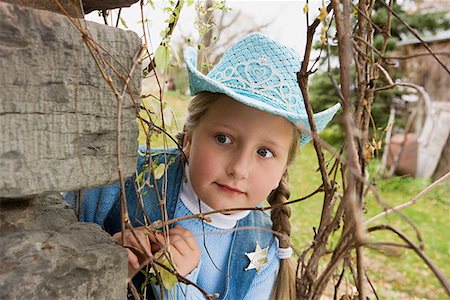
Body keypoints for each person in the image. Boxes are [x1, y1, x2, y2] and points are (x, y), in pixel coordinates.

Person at [65, 32, 340, 300]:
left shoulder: (263, 250)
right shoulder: (124, 179)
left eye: (264, 152)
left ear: (284, 167)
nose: (239, 169)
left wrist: (179, 286)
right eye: (223, 138)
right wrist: (105, 268)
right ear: (189, 136)